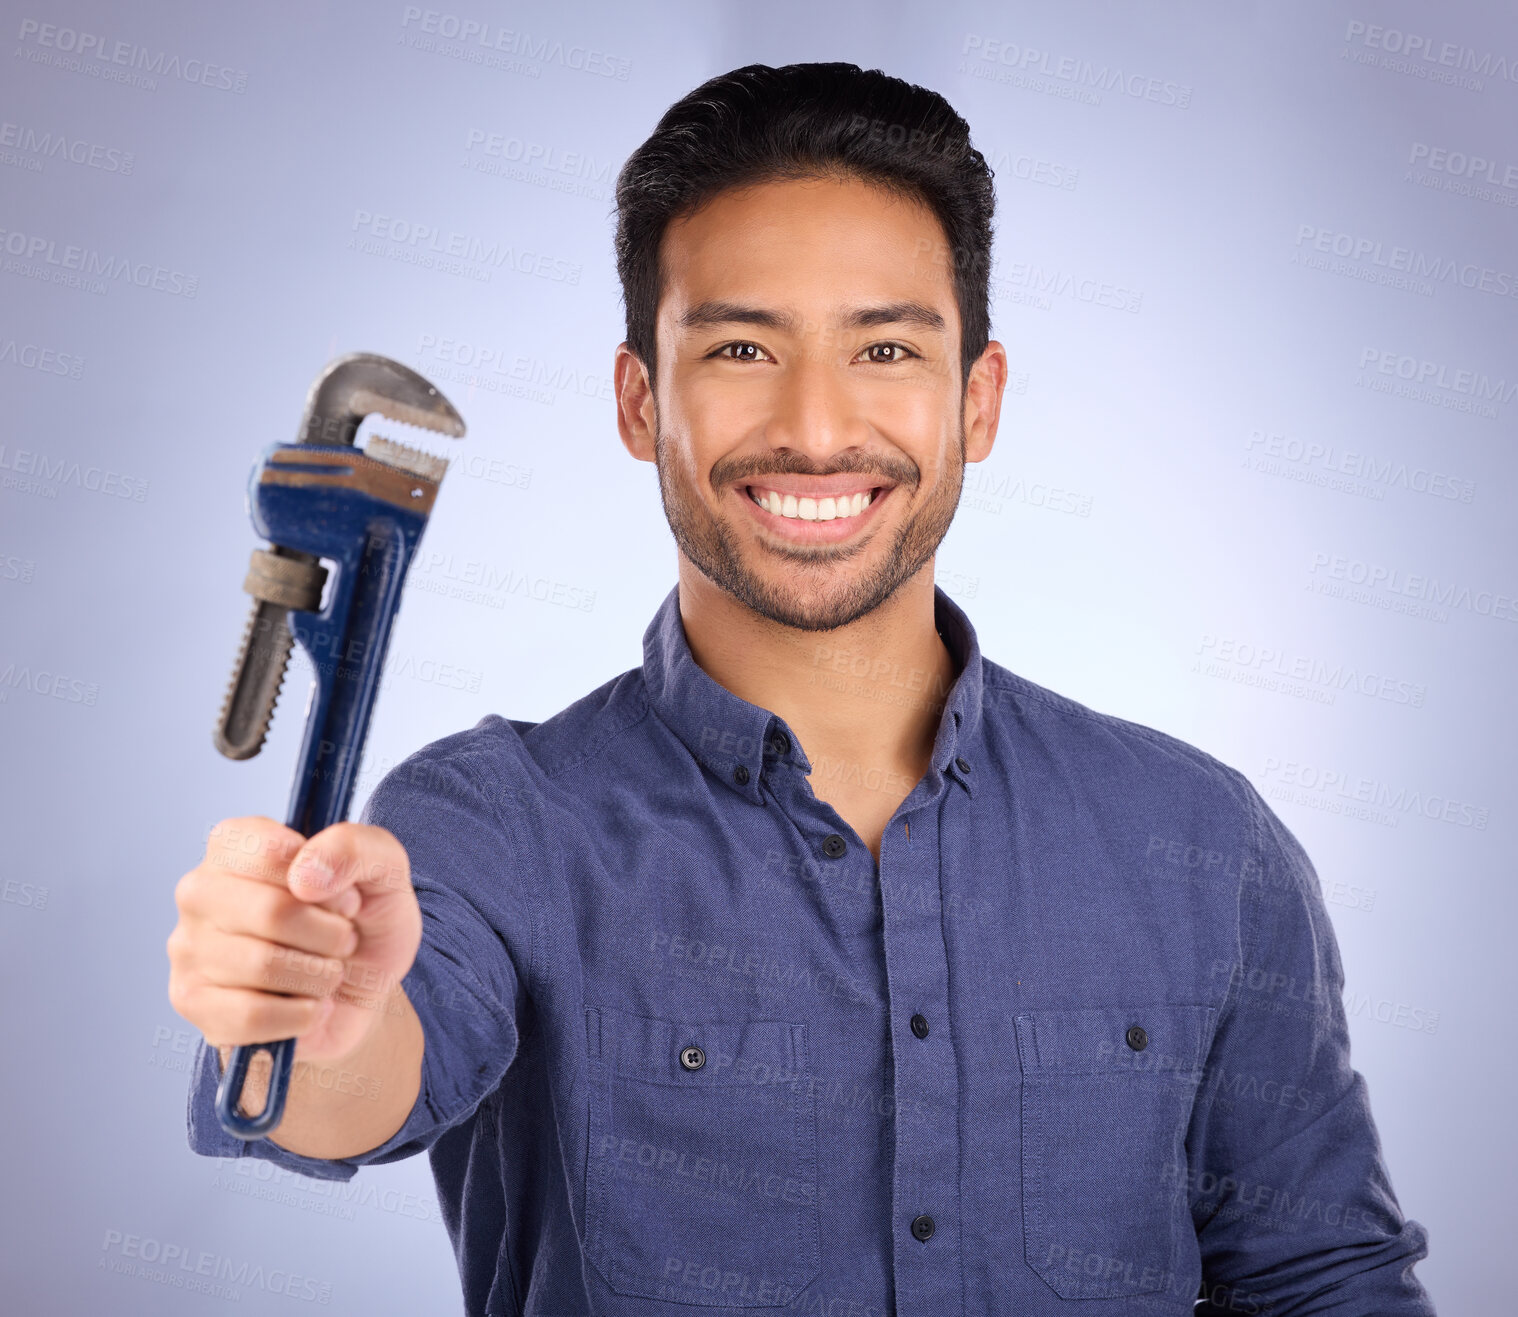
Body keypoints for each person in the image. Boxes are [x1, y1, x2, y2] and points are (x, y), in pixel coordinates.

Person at [167, 61, 1437, 1316]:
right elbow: (355, 1080)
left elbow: (1324, 1278)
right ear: (639, 400)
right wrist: (317, 1013)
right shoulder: (497, 823)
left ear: (976, 401)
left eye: (885, 347)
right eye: (739, 347)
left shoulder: (1202, 841)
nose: (818, 428)